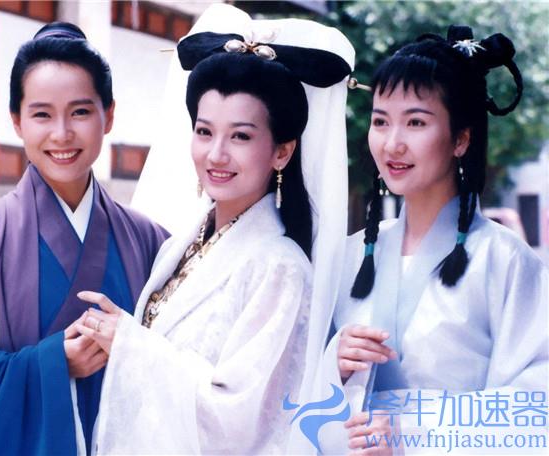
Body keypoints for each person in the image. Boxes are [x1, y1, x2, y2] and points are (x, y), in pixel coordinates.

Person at [73, 5, 354, 454]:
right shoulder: (182, 245)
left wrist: (128, 343)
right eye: (204, 132)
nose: (216, 154)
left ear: (282, 151)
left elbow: (239, 420)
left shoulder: (279, 267)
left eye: (241, 136)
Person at [0, 22, 168, 455]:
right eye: (42, 114)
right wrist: (52, 365)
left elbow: (181, 371)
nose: (61, 134)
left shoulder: (151, 243)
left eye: (80, 112)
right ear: (16, 121)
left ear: (109, 116)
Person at [324, 25, 548, 454]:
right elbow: (294, 400)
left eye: (415, 122)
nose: (392, 143)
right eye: (380, 121)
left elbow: (537, 406)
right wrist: (332, 366)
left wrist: (413, 436)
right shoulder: (352, 255)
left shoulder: (504, 260)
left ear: (461, 139)